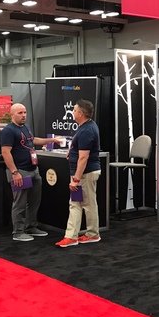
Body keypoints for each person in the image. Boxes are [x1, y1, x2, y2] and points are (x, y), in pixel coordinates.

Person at [1, 103, 63, 242]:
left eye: (25, 112)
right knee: (20, 203)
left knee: (34, 201)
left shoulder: (25, 127)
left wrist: (52, 140)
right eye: (20, 113)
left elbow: (33, 140)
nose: (24, 115)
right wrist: (14, 172)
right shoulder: (8, 131)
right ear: (12, 114)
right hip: (20, 171)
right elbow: (5, 152)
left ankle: (31, 227)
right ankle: (18, 232)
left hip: (33, 170)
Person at [55, 99, 102, 248]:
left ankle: (85, 235)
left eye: (74, 110)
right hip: (83, 174)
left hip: (84, 174)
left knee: (83, 204)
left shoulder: (87, 130)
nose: (72, 112)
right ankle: (80, 235)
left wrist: (76, 178)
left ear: (81, 113)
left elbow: (83, 157)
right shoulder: (86, 127)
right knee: (79, 203)